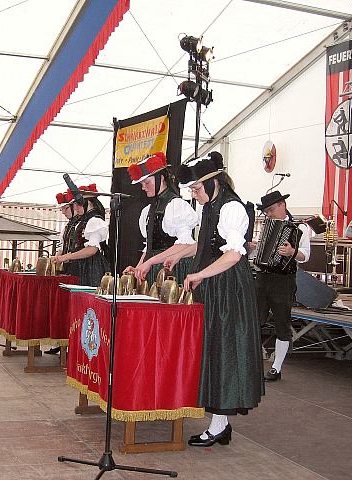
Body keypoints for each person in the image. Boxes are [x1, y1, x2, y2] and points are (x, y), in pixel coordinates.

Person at [148, 152, 263, 447]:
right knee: (210, 350)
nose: (194, 195)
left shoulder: (232, 208)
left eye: (197, 189)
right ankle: (219, 424)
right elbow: (199, 244)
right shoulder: (208, 207)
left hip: (227, 289)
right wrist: (173, 257)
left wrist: (201, 274)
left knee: (222, 350)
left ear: (214, 183)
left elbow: (234, 254)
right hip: (212, 285)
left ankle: (219, 425)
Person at [251, 191, 311, 381]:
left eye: (270, 210)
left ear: (282, 205)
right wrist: (253, 248)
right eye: (266, 211)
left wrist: (292, 252)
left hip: (283, 280)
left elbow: (306, 256)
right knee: (255, 320)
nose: (268, 214)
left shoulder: (298, 228)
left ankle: (277, 366)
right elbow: (260, 255)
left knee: (281, 323)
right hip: (262, 278)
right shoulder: (265, 226)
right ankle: (253, 362)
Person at [123, 152, 198, 285]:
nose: (143, 187)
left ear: (161, 178)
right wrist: (138, 268)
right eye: (141, 183)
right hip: (154, 269)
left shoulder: (176, 206)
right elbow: (150, 246)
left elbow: (185, 244)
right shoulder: (148, 210)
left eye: (146, 182)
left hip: (172, 270)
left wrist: (150, 262)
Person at [45, 188, 82, 355]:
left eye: (65, 208)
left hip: (81, 269)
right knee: (64, 307)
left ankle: (72, 345)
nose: (63, 212)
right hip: (68, 267)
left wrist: (64, 257)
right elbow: (61, 247)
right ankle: (61, 341)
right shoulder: (69, 226)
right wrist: (58, 257)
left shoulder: (84, 223)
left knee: (76, 309)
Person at [51, 183, 110, 287]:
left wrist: (67, 256)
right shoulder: (82, 222)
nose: (76, 208)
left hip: (90, 268)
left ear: (87, 203)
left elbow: (92, 249)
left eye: (78, 204)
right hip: (79, 266)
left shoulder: (95, 221)